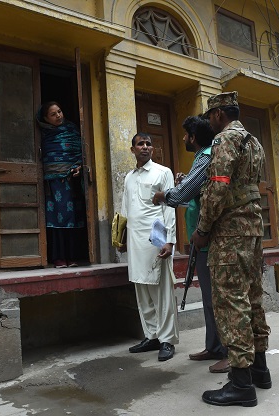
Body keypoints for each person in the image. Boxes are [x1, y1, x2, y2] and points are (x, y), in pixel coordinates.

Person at [192, 91, 272, 407]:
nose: (210, 122)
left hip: (230, 232)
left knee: (230, 300)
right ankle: (259, 371)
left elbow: (218, 186)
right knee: (252, 296)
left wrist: (202, 229)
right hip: (253, 227)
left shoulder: (225, 141)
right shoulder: (253, 141)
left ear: (218, 115)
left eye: (210, 116)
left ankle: (240, 384)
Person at [151, 116, 229, 373]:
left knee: (218, 298)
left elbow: (183, 196)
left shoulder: (206, 156)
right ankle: (214, 347)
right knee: (208, 297)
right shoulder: (202, 158)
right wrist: (184, 186)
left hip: (211, 238)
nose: (183, 139)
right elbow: (192, 195)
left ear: (193, 137)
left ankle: (229, 352)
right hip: (200, 237)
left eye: (185, 135)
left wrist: (165, 195)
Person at [120, 132, 179, 362]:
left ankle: (167, 340)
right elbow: (125, 209)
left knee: (161, 291)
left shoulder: (163, 173)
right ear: (133, 149)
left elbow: (169, 208)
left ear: (152, 149)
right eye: (140, 144)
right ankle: (152, 335)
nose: (145, 147)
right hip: (135, 241)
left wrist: (169, 240)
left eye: (148, 144)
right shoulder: (129, 177)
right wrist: (122, 238)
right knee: (142, 289)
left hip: (156, 239)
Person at [36, 101, 87, 268]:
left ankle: (73, 256)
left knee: (72, 218)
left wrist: (79, 166)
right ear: (45, 118)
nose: (58, 116)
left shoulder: (72, 130)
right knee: (55, 220)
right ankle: (57, 257)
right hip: (52, 183)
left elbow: (81, 152)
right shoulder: (41, 133)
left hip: (71, 180)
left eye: (59, 111)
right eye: (53, 114)